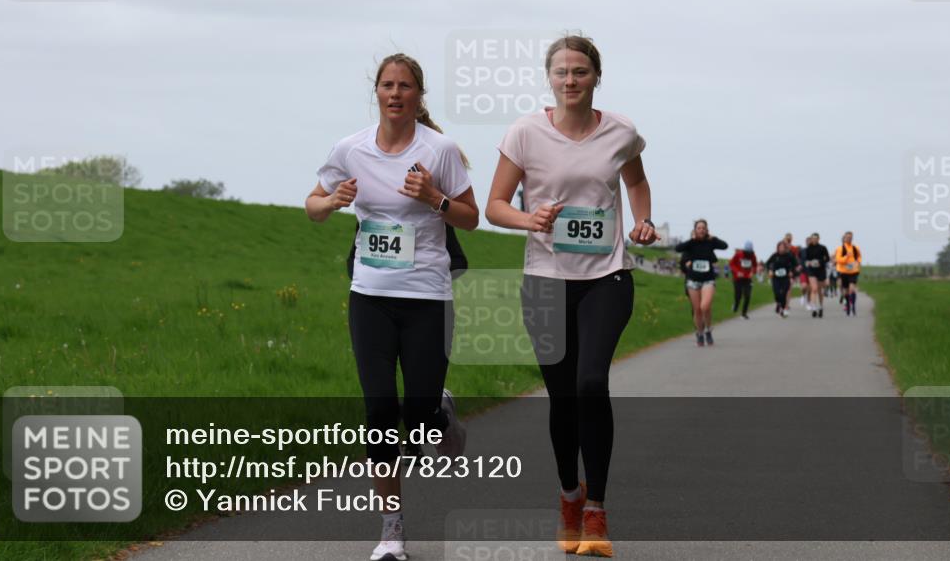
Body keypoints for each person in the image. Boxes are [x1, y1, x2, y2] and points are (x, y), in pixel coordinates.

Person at [486, 35, 656, 558]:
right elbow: (495, 205)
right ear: (549, 78)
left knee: (589, 382)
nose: (570, 80)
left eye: (580, 71)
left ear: (595, 77)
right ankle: (569, 495)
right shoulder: (525, 133)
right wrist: (526, 218)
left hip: (607, 276)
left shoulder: (620, 131)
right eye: (561, 72)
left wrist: (644, 219)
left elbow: (636, 181)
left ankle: (597, 513)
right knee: (562, 396)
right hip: (545, 277)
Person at [306, 53, 479, 561]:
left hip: (427, 296)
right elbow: (312, 206)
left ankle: (439, 416)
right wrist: (333, 201)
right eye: (388, 85)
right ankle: (391, 531)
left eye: (405, 86)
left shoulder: (440, 150)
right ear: (376, 92)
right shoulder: (351, 148)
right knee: (380, 409)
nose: (396, 93)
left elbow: (469, 218)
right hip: (370, 296)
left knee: (419, 421)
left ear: (419, 95)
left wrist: (434, 198)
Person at [675, 219, 728, 346]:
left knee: (705, 307)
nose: (701, 230)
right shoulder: (691, 244)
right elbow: (677, 248)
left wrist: (713, 238)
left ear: (707, 230)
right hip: (693, 280)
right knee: (697, 310)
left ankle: (708, 329)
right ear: (695, 230)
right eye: (699, 228)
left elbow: (725, 246)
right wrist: (692, 240)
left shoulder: (710, 243)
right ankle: (700, 333)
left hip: (708, 280)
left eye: (703, 228)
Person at [766, 240, 799, 317]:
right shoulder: (774, 255)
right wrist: (770, 270)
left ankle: (783, 309)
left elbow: (796, 265)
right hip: (776, 278)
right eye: (779, 247)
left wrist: (792, 272)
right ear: (777, 248)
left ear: (785, 248)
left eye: (782, 247)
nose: (781, 249)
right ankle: (778, 303)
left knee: (784, 294)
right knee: (777, 293)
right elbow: (768, 264)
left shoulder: (789, 256)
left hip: (785, 278)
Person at [802, 232, 831, 318]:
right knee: (814, 289)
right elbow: (806, 260)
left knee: (819, 290)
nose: (814, 240)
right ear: (811, 239)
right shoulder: (808, 249)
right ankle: (814, 308)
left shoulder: (823, 248)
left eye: (816, 238)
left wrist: (820, 262)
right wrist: (808, 263)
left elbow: (827, 258)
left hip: (821, 271)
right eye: (813, 238)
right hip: (812, 271)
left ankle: (821, 306)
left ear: (818, 239)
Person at [834, 231, 862, 316]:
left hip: (853, 272)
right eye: (847, 237)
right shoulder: (840, 249)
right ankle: (848, 304)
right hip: (844, 272)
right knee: (846, 291)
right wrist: (846, 256)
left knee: (852, 289)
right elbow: (838, 260)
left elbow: (859, 257)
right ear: (844, 238)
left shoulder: (855, 248)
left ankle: (853, 305)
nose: (849, 239)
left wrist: (857, 262)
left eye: (850, 237)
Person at [730, 241, 757, 319]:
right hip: (738, 279)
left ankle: (744, 313)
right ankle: (736, 305)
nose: (748, 254)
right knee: (738, 296)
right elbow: (731, 264)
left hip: (747, 279)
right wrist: (737, 272)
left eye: (750, 252)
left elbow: (755, 265)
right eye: (747, 252)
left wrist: (753, 272)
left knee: (747, 296)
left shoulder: (753, 255)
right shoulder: (738, 254)